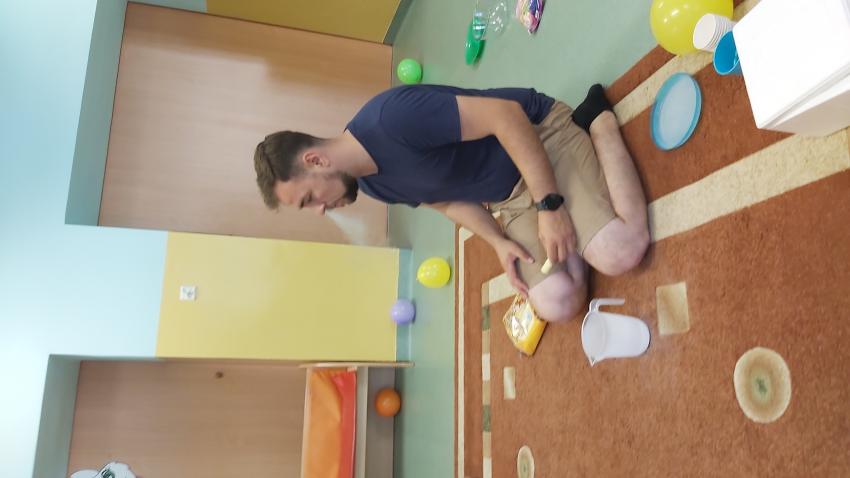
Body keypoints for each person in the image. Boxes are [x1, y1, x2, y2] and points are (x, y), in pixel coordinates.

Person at [253, 84, 649, 322]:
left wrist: (550, 206)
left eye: (309, 199)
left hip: (542, 138)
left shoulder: (391, 119)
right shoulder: (370, 184)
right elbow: (444, 202)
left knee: (620, 252)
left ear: (315, 161)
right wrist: (498, 241)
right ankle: (577, 219)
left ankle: (596, 120)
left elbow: (507, 117)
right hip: (512, 198)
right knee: (557, 303)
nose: (320, 210)